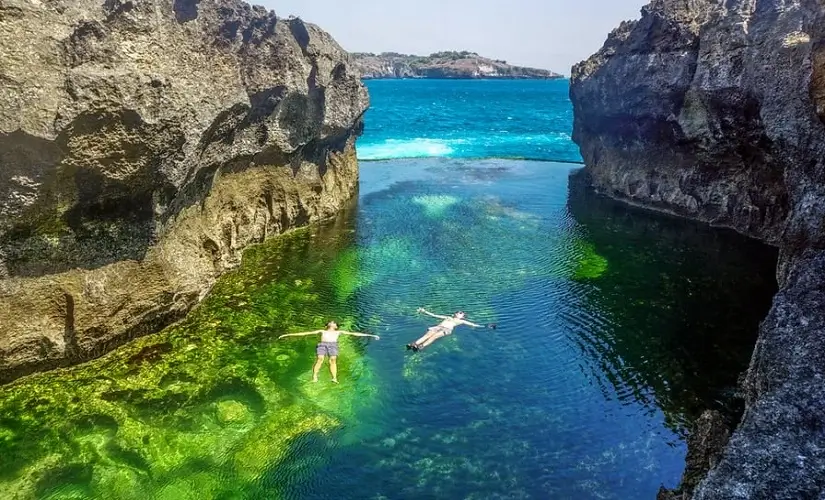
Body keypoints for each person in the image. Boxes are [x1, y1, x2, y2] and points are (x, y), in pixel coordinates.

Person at [278, 321, 379, 383]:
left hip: (333, 345)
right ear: (327, 325)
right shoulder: (322, 331)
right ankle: (314, 376)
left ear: (336, 326)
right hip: (322, 344)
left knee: (333, 360)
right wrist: (287, 335)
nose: (332, 322)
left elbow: (354, 334)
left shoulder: (339, 332)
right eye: (330, 322)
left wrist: (370, 336)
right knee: (320, 359)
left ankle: (334, 378)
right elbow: (306, 333)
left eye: (334, 322)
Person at [406, 307, 495, 351]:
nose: (458, 313)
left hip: (446, 329)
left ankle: (421, 346)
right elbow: (434, 315)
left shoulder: (462, 321)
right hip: (438, 327)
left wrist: (486, 326)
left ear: (462, 316)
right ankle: (414, 344)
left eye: (461, 313)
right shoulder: (447, 317)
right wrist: (424, 311)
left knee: (434, 337)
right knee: (427, 335)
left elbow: (474, 324)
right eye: (458, 312)